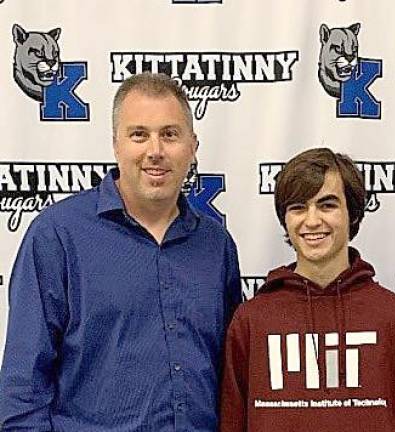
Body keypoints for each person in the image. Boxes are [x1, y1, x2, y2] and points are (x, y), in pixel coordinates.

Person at [0, 72, 242, 431]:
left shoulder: (215, 244)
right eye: (139, 134)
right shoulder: (58, 235)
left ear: (192, 146)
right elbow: (24, 386)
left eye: (170, 134)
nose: (155, 151)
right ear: (116, 144)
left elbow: (229, 376)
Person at [219, 148, 395, 432]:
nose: (312, 220)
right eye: (298, 207)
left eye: (327, 205)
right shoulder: (252, 321)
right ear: (285, 219)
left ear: (352, 213)